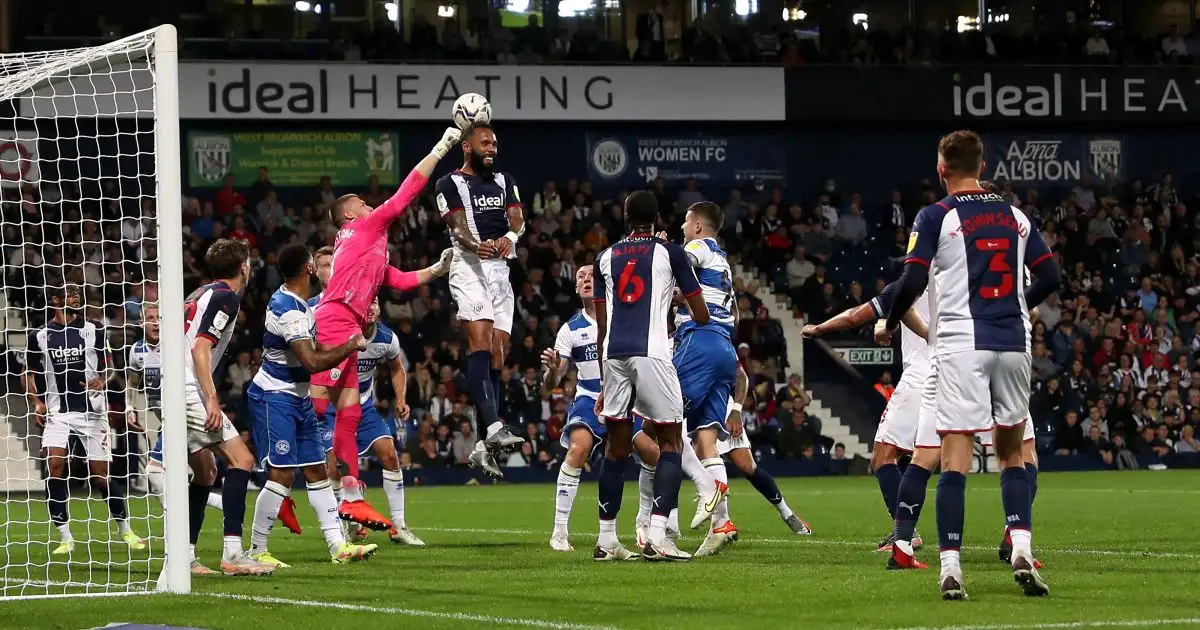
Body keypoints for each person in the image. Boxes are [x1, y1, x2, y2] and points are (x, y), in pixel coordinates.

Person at [879, 130, 1060, 599]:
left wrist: (890, 318)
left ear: (942, 170)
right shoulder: (1016, 216)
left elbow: (913, 277)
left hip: (962, 345)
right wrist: (1019, 304)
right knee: (1012, 453)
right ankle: (1020, 546)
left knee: (955, 457)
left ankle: (952, 567)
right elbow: (1051, 275)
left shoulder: (935, 215)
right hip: (1013, 344)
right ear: (982, 166)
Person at [311, 126, 463, 531]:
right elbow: (405, 195)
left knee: (347, 410)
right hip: (336, 319)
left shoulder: (368, 245)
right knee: (316, 407)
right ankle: (285, 463)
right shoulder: (364, 229)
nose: (369, 204)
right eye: (363, 202)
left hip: (347, 323)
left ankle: (351, 498)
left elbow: (395, 280)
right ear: (349, 213)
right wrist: (442, 147)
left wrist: (437, 268)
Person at [592, 190, 709, 562]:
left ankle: (606, 539)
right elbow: (702, 313)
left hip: (612, 355)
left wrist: (601, 379)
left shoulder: (604, 257)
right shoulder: (671, 252)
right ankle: (659, 534)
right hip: (652, 352)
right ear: (657, 219)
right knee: (671, 440)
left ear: (626, 219)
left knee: (616, 448)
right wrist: (674, 299)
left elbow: (602, 323)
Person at [246, 243, 378, 567]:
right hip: (276, 396)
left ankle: (338, 547)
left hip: (298, 396)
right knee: (281, 475)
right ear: (308, 268)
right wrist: (350, 345)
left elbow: (316, 350)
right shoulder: (288, 309)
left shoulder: (300, 304)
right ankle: (256, 549)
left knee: (318, 470)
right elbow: (310, 360)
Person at [802, 280, 931, 553]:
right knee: (1005, 454)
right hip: (965, 374)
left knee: (883, 455)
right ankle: (1015, 535)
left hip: (923, 377)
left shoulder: (912, 281)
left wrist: (818, 329)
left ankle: (905, 534)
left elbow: (856, 315)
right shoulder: (966, 278)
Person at [434, 121, 527, 478]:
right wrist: (479, 245)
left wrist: (509, 235)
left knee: (499, 355)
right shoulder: (449, 183)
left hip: (500, 270)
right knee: (480, 346)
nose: (492, 148)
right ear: (467, 146)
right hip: (469, 267)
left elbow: (517, 218)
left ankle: (481, 447)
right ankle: (493, 426)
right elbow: (457, 228)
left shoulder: (505, 180)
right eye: (485, 142)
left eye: (495, 143)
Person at [25, 285, 146, 557]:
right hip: (58, 413)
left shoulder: (94, 329)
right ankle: (65, 537)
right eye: (70, 294)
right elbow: (29, 373)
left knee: (99, 476)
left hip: (93, 412)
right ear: (55, 300)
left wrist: (101, 381)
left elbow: (112, 366)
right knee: (55, 466)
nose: (77, 298)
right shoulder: (40, 336)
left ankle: (125, 529)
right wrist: (38, 403)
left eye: (78, 294)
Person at [181, 238, 275, 575]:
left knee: (206, 472)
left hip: (172, 386)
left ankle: (186, 556)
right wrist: (211, 398)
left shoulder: (200, 292)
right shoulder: (225, 297)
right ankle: (233, 554)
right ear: (244, 267)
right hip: (188, 388)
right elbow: (200, 349)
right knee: (243, 459)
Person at [321, 299, 427, 547]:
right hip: (333, 407)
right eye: (365, 302)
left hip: (364, 406)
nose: (370, 307)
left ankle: (399, 527)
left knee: (390, 455)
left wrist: (400, 399)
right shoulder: (341, 332)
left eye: (375, 303)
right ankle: (346, 525)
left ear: (380, 309)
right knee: (336, 467)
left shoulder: (387, 339)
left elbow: (397, 368)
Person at [542, 265, 603, 552]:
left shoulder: (619, 317)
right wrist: (553, 372)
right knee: (577, 450)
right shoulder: (570, 329)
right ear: (576, 289)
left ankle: (647, 525)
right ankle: (559, 532)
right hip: (590, 398)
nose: (586, 279)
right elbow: (553, 381)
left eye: (591, 275)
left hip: (625, 398)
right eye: (580, 277)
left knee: (650, 451)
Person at [713, 367, 812, 540]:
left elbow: (741, 376)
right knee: (677, 457)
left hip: (721, 406)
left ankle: (787, 513)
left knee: (748, 466)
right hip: (686, 405)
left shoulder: (719, 341)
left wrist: (736, 410)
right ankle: (668, 525)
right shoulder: (672, 343)